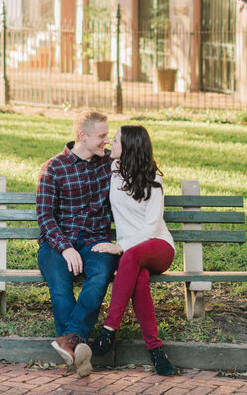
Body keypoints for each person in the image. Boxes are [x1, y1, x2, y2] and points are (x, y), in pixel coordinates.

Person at [88, 124, 178, 376]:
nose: (109, 144)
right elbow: (82, 149)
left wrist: (120, 246)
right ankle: (156, 351)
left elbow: (151, 227)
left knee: (131, 256)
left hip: (158, 246)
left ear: (129, 148)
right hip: (131, 257)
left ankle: (109, 329)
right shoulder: (112, 170)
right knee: (138, 280)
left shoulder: (154, 180)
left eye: (115, 141)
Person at [36, 109, 118, 378]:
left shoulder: (109, 164)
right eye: (101, 136)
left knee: (101, 275)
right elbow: (45, 217)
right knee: (60, 289)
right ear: (82, 136)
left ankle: (68, 342)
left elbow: (141, 170)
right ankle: (78, 345)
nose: (106, 141)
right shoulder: (53, 168)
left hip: (96, 242)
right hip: (58, 244)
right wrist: (65, 247)